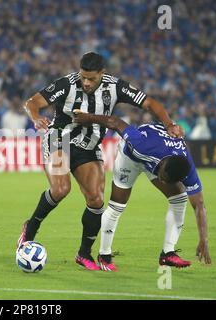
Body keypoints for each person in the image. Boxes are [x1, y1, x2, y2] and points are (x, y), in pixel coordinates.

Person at [17, 52, 184, 270]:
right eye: (83, 77)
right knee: (60, 189)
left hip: (89, 146)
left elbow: (149, 103)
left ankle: (84, 254)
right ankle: (30, 229)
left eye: (91, 79)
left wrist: (169, 124)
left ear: (102, 74)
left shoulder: (114, 87)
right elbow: (32, 102)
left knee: (96, 200)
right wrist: (36, 117)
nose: (85, 82)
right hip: (60, 141)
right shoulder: (66, 84)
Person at [73, 110, 211, 271]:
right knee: (117, 205)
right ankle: (104, 256)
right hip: (129, 157)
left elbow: (199, 204)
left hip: (156, 160)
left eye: (167, 181)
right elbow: (116, 122)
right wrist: (88, 118)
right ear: (162, 167)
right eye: (163, 177)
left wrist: (204, 239)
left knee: (179, 197)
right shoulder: (141, 144)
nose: (163, 182)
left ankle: (168, 253)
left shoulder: (186, 166)